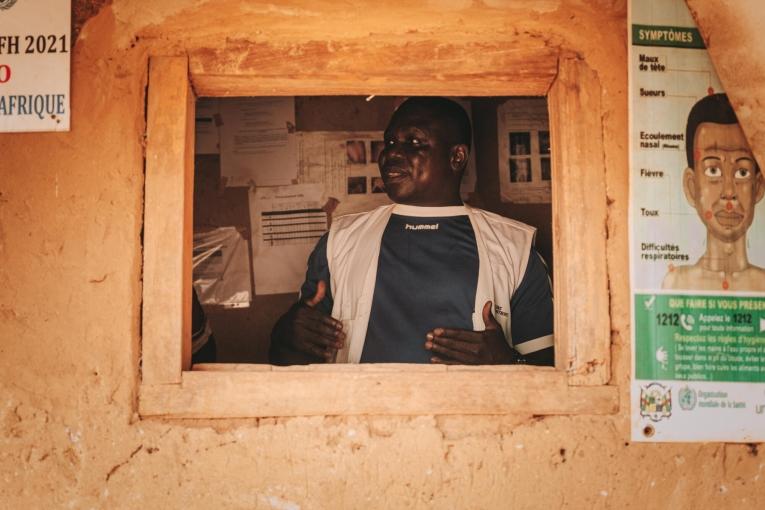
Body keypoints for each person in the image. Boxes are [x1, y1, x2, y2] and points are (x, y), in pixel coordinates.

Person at [270, 97, 554, 365]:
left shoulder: (514, 247)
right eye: (390, 141)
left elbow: (554, 375)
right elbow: (289, 361)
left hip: (473, 416)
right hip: (357, 417)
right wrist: (284, 335)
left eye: (414, 142)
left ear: (457, 157)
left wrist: (508, 362)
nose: (391, 153)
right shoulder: (339, 240)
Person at [663, 93, 765, 291]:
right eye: (713, 170)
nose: (729, 192)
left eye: (742, 172)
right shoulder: (677, 283)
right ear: (692, 187)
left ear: (758, 187)